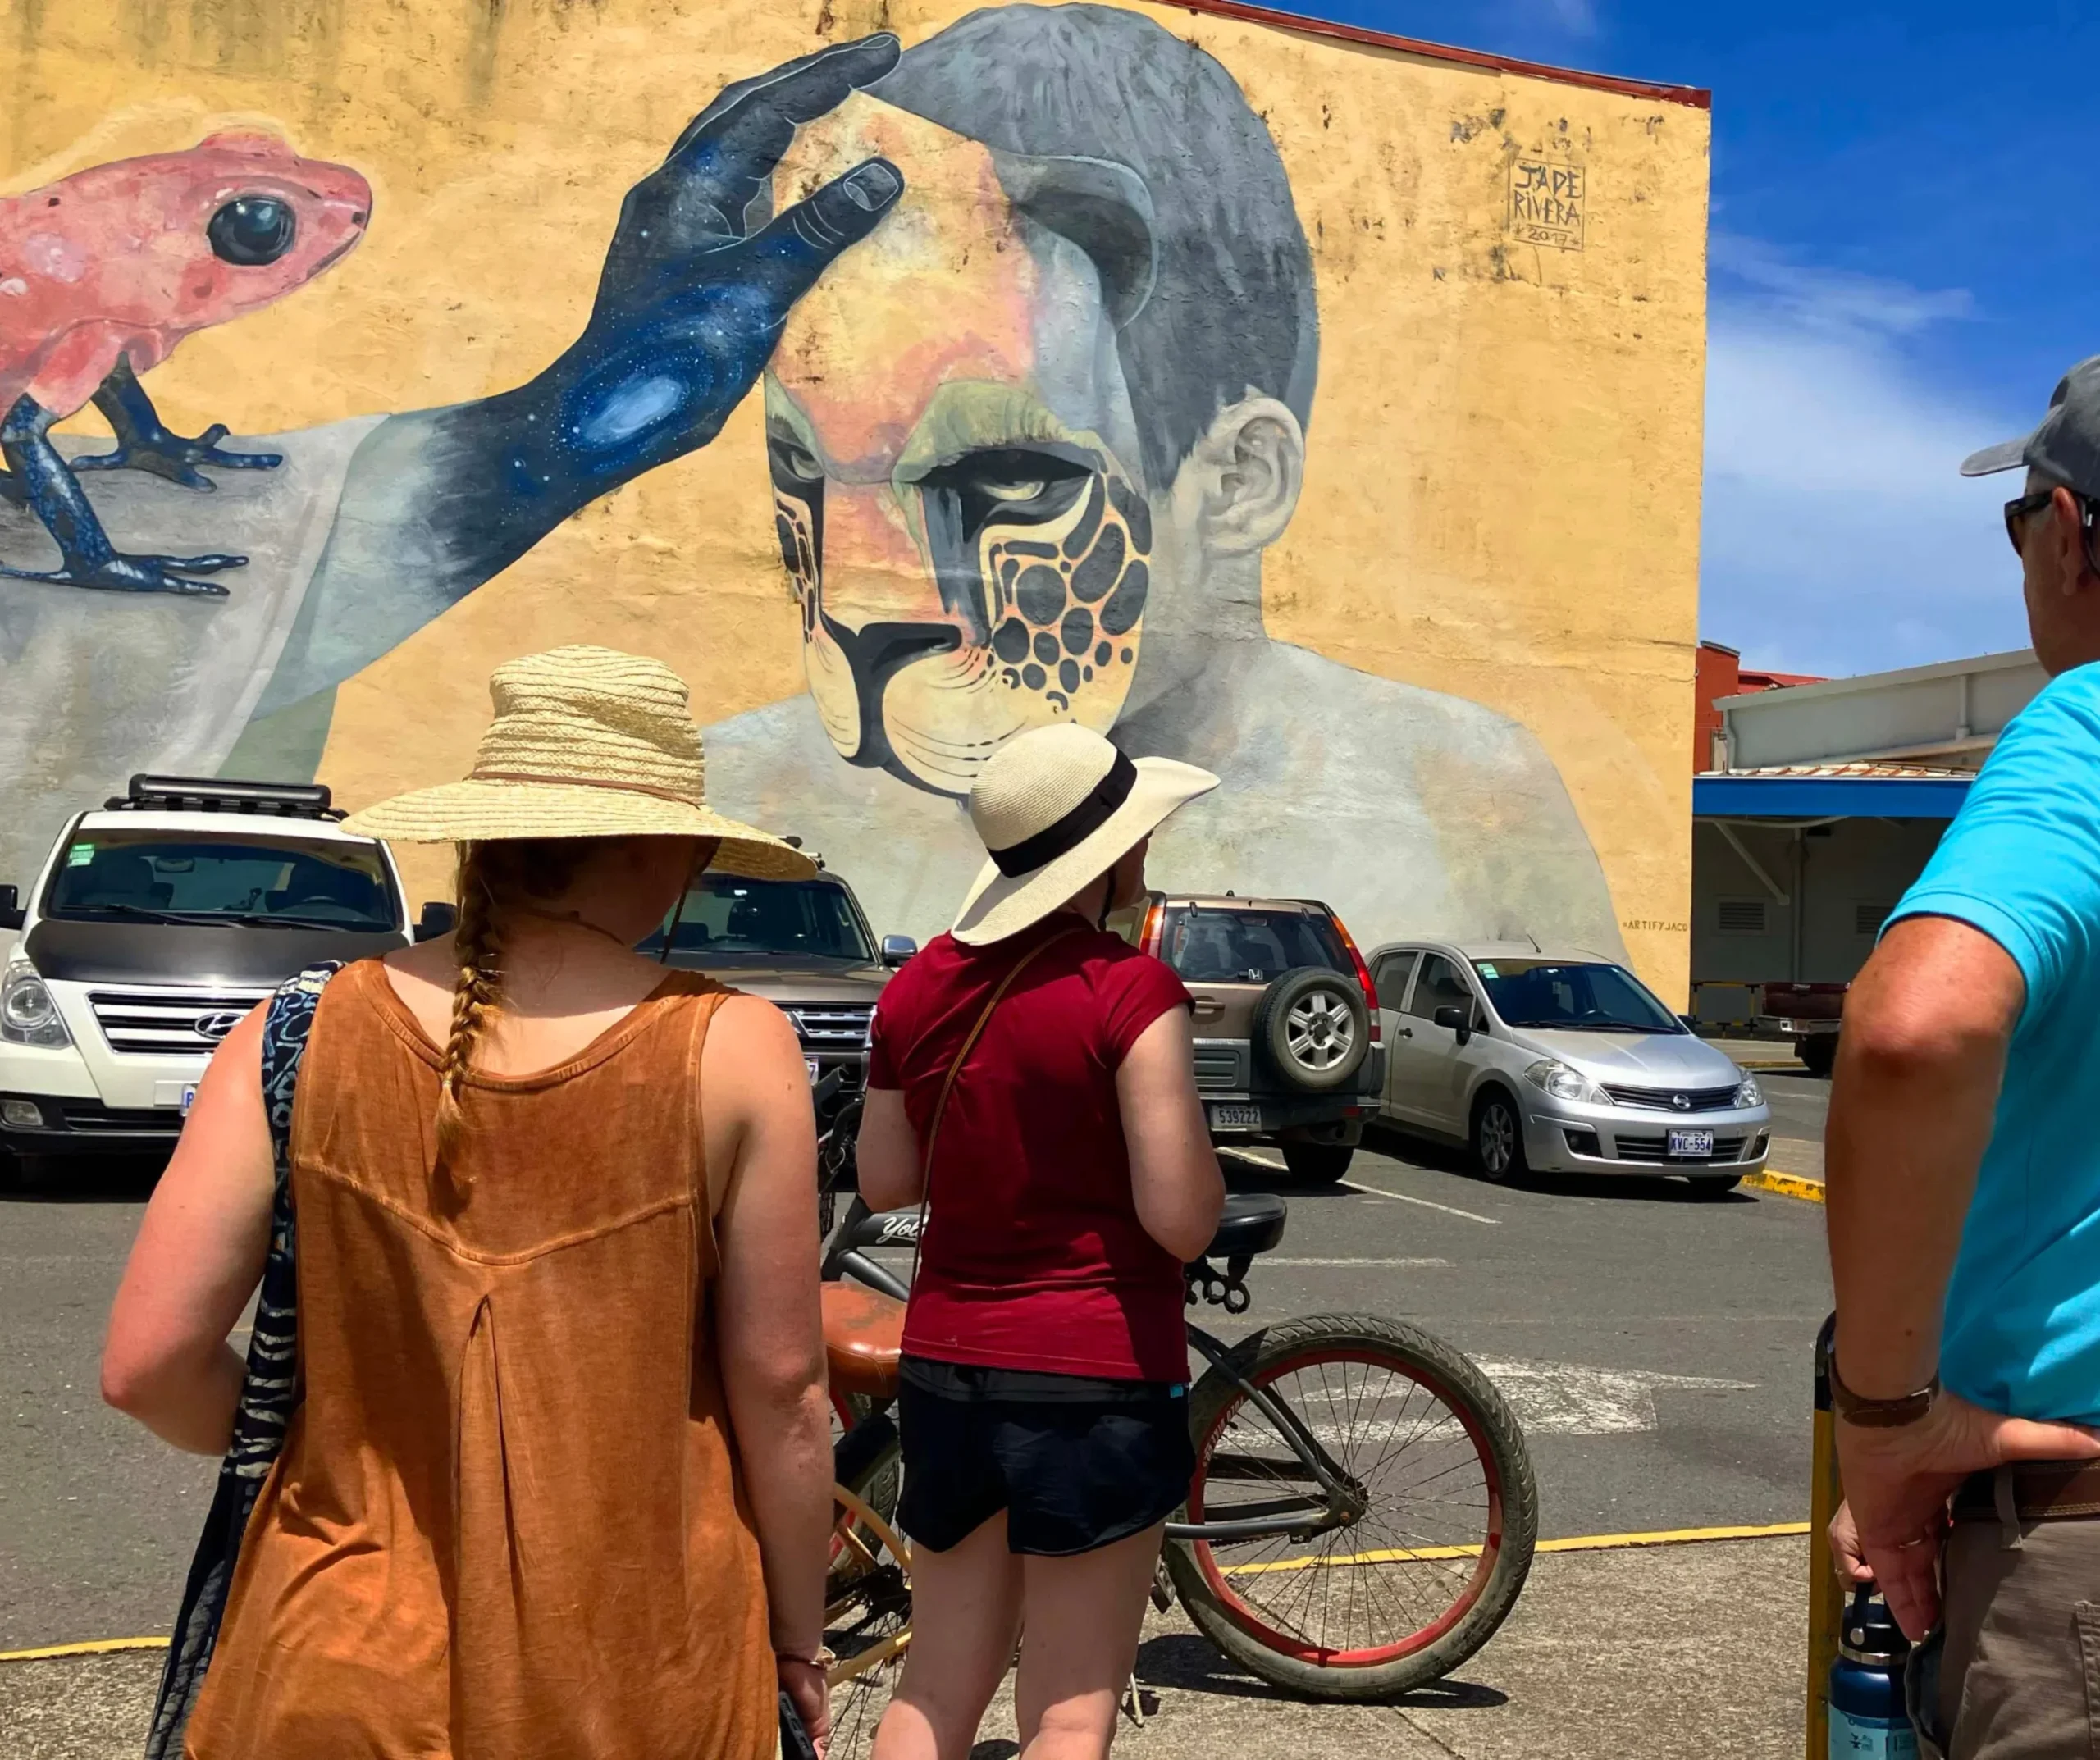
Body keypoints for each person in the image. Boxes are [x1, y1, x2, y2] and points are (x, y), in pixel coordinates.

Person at [100, 645, 835, 1758]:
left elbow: (146, 1365)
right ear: (662, 847)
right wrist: (796, 1636)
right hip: (636, 1671)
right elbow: (783, 1392)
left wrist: (325, 1455)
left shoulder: (295, 1031)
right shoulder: (734, 1046)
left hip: (330, 1653)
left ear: (486, 835)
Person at [854, 722, 1227, 1760]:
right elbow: (1180, 1217)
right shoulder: (1129, 990)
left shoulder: (917, 985)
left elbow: (884, 1180)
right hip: (1093, 1373)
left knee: (934, 1687)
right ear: (1112, 853)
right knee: (1069, 1708)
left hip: (947, 1366)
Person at [1826, 358, 2100, 1758]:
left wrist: (1887, 1426)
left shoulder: (2086, 732)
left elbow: (1917, 1028)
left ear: (2070, 533)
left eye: (2019, 521)